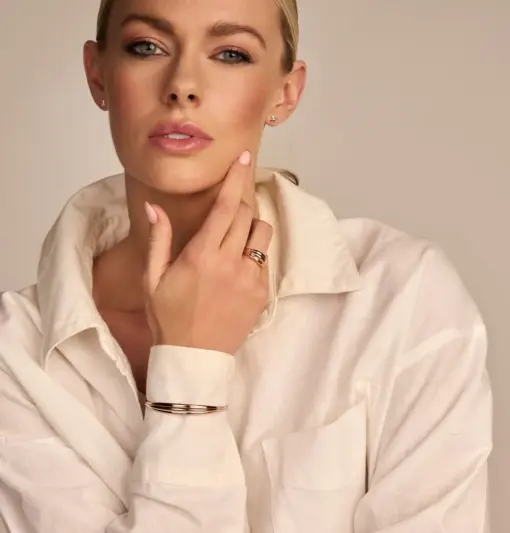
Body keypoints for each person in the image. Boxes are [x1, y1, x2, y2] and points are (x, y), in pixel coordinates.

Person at [0, 0, 492, 531]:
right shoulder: (15, 357)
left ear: (286, 92)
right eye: (147, 47)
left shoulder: (402, 300)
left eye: (230, 54)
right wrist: (191, 368)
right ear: (98, 74)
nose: (182, 85)